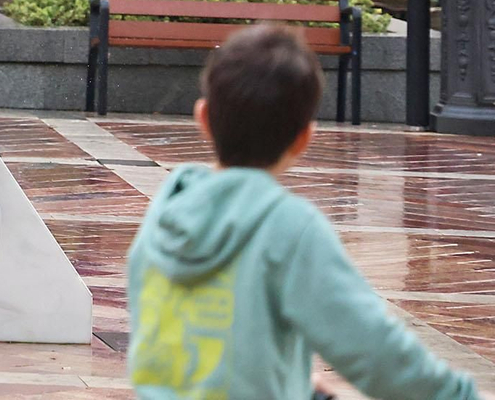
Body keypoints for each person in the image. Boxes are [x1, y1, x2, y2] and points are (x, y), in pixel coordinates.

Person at [126, 24, 481, 400]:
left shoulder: (166, 212)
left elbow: (187, 340)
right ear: (304, 139)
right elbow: (372, 349)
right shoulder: (288, 228)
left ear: (203, 118)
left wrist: (296, 384)